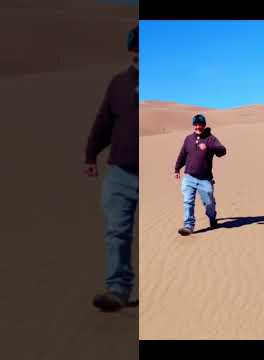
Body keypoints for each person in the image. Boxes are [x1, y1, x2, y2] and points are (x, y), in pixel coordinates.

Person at [85, 25, 139, 312]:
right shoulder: (117, 84)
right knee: (117, 232)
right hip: (121, 172)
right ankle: (117, 289)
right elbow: (104, 121)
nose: (139, 54)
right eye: (135, 48)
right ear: (130, 50)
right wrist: (90, 154)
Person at [175, 114, 226, 235]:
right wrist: (177, 169)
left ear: (204, 125)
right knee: (188, 201)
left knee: (209, 203)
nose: (198, 127)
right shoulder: (188, 139)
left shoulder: (211, 139)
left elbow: (222, 151)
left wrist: (209, 146)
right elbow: (182, 155)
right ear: (193, 125)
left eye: (200, 124)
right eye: (196, 124)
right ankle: (188, 226)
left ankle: (212, 218)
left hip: (205, 179)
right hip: (189, 177)